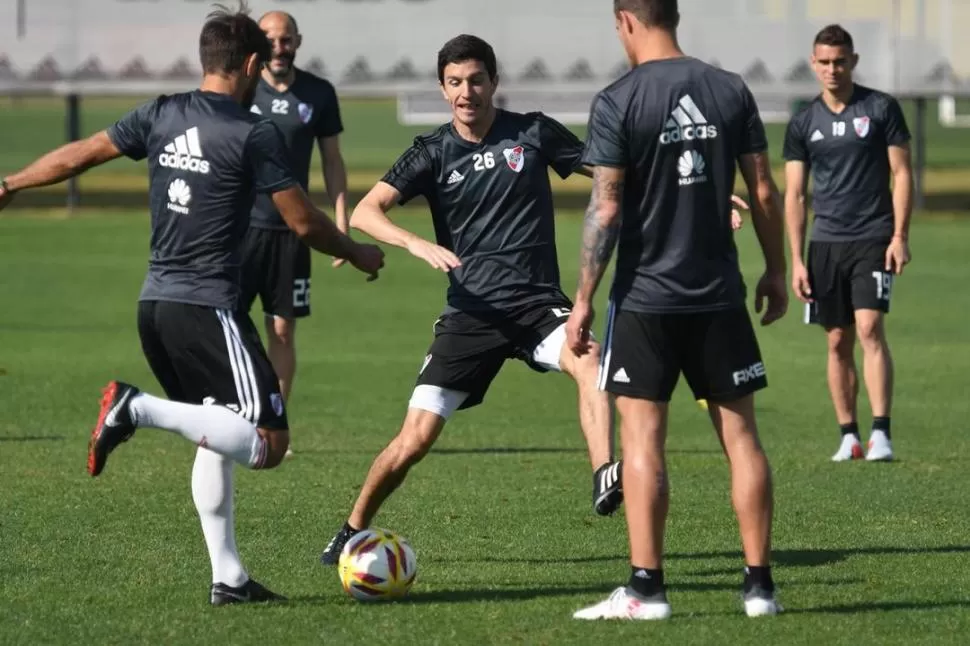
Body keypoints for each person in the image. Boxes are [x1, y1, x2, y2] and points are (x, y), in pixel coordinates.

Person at [0, 2, 384, 606]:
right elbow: (302, 223)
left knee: (216, 431)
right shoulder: (251, 131)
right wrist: (358, 252)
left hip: (155, 306)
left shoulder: (160, 112)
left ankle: (228, 578)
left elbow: (82, 152)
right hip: (208, 308)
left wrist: (11, 184)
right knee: (267, 441)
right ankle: (135, 408)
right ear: (252, 63)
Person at [317, 34, 626, 565]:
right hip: (472, 315)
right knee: (414, 439)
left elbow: (609, 172)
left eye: (476, 80)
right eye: (455, 82)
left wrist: (697, 193)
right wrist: (417, 243)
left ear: (494, 82)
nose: (467, 92)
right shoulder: (433, 152)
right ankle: (351, 528)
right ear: (443, 89)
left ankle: (605, 474)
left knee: (590, 359)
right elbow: (368, 212)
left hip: (536, 308)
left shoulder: (532, 132)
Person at [565, 0, 788, 620]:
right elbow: (764, 192)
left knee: (642, 440)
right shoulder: (729, 89)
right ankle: (759, 588)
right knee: (743, 439)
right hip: (718, 296)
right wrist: (773, 268)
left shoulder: (618, 100)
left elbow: (605, 210)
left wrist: (583, 298)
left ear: (626, 21)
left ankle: (646, 589)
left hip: (644, 301)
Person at [784, 24, 913, 463]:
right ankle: (848, 435)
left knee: (869, 328)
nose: (832, 69)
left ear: (853, 61)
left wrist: (899, 236)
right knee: (837, 339)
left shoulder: (880, 108)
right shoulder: (803, 122)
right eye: (824, 62)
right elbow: (796, 195)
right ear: (813, 64)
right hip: (825, 244)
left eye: (840, 61)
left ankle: (881, 434)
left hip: (873, 236)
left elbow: (902, 174)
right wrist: (796, 261)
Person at [240, 12, 350, 459]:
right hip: (241, 229)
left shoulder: (319, 93)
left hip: (293, 231)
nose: (280, 47)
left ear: (298, 42)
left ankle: (273, 426)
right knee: (230, 321)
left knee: (282, 331)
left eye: (286, 40)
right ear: (259, 45)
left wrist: (340, 222)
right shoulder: (241, 88)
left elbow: (332, 161)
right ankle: (234, 413)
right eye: (271, 40)